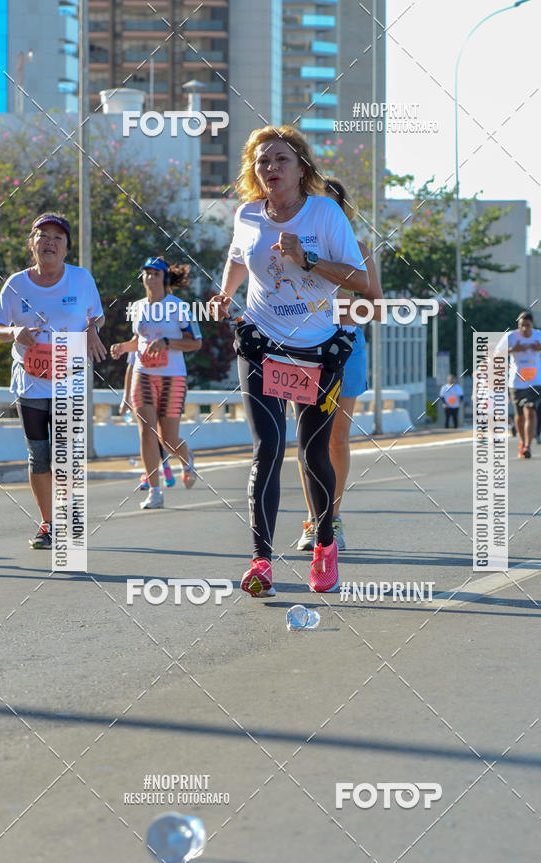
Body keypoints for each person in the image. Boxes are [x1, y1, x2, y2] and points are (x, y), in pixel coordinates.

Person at [207, 125, 369, 595]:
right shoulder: (248, 215)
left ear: (301, 168)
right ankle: (260, 561)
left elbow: (359, 280)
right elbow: (240, 257)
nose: (270, 168)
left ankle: (323, 546)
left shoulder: (324, 214)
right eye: (262, 161)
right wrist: (226, 292)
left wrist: (308, 258)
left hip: (317, 351)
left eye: (280, 160)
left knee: (313, 450)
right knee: (267, 450)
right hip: (261, 342)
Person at [0, 211, 106, 549]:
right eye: (43, 236)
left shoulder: (81, 279)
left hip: (69, 380)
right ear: (32, 244)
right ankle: (48, 524)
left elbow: (95, 314)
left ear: (67, 247)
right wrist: (14, 331)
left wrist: (93, 330)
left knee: (66, 455)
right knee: (39, 456)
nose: (49, 242)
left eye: (57, 237)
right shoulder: (15, 284)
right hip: (31, 382)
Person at [296, 176, 383, 552]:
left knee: (335, 439)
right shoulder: (289, 249)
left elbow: (376, 306)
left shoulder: (359, 249)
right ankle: (314, 520)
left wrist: (338, 307)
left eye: (329, 204)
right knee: (307, 440)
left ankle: (332, 518)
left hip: (345, 348)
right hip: (301, 349)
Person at [110, 256, 201, 508]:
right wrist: (122, 347)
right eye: (146, 273)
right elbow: (138, 341)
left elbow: (196, 342)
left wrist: (168, 342)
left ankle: (186, 457)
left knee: (167, 439)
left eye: (155, 274)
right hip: (144, 375)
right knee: (146, 433)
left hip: (173, 377)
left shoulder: (179, 307)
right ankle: (155, 492)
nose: (150, 278)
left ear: (165, 278)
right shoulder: (137, 307)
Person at [120, 349, 176, 488]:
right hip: (143, 391)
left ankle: (165, 466)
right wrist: (125, 399)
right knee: (148, 434)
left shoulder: (166, 334)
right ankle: (153, 473)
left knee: (161, 435)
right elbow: (131, 368)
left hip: (165, 389)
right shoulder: (138, 336)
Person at [502, 311, 541, 459]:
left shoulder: (539, 336)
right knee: (519, 416)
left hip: (534, 381)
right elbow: (497, 353)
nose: (524, 329)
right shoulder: (511, 336)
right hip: (516, 382)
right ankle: (522, 442)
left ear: (532, 325)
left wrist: (540, 348)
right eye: (521, 325)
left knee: (530, 410)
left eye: (527, 326)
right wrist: (513, 350)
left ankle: (528, 446)